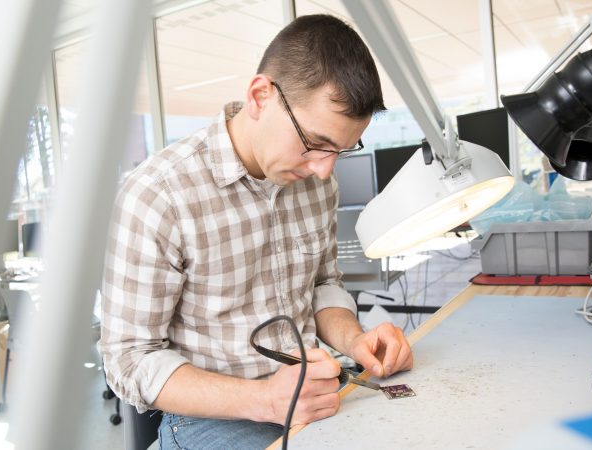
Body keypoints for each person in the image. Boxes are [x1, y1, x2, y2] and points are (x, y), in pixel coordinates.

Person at [100, 14, 413, 450]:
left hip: (313, 396)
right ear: (260, 96)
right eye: (315, 143)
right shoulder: (159, 195)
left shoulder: (316, 180)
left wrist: (355, 340)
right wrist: (265, 399)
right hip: (213, 419)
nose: (325, 169)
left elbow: (322, 285)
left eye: (341, 150)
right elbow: (129, 361)